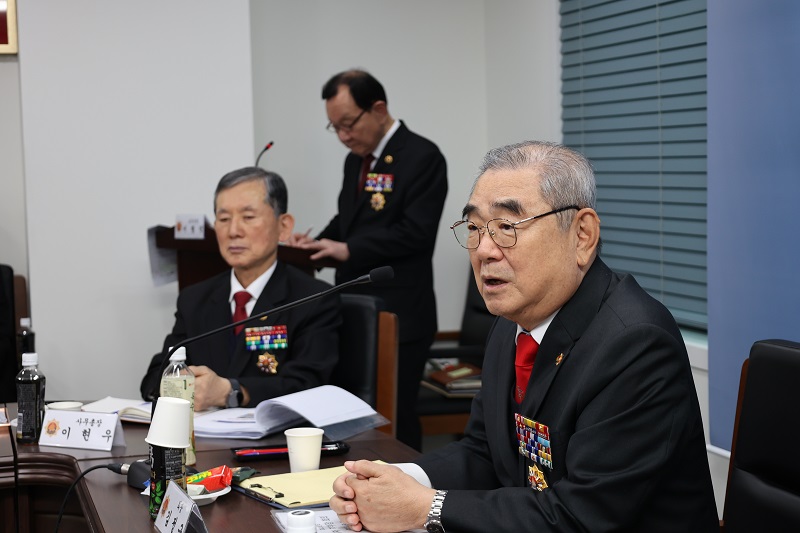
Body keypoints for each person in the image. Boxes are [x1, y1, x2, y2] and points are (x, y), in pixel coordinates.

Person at [329, 141, 718, 532]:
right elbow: (485, 452)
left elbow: (581, 516)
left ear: (582, 235)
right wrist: (399, 479)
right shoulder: (510, 323)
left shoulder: (635, 343)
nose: (484, 250)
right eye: (474, 228)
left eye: (506, 227)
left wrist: (426, 507)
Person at [289, 69, 448, 449]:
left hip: (400, 312)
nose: (344, 136)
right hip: (352, 307)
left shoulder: (422, 156)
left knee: (396, 415)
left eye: (348, 124)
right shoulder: (356, 161)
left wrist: (349, 250)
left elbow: (416, 232)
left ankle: (408, 479)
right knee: (351, 415)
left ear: (378, 109)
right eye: (335, 128)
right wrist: (315, 243)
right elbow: (349, 219)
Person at [140, 167, 341, 411]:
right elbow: (155, 377)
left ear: (284, 226)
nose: (233, 231)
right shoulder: (194, 299)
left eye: (248, 217)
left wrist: (232, 391)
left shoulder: (314, 299)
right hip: (203, 433)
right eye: (224, 219)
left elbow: (309, 385)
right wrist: (178, 384)